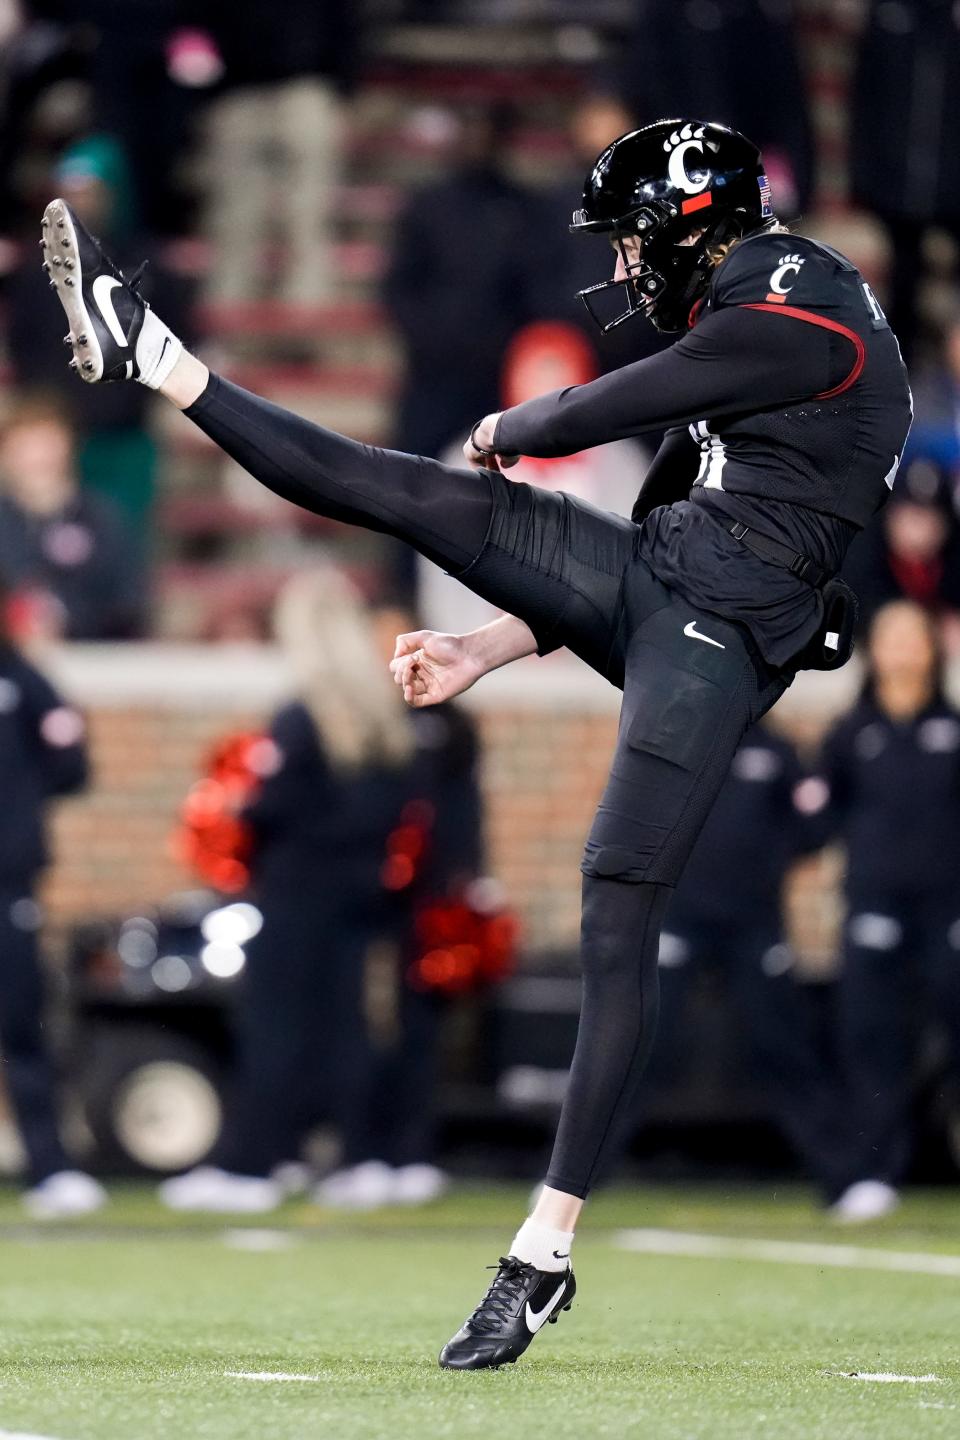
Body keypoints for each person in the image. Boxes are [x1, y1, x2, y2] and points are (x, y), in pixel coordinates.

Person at [42, 115, 911, 1368]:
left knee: (616, 907)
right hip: (671, 582)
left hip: (729, 629)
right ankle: (163, 357)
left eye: (630, 240)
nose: (620, 268)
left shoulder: (797, 287)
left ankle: (543, 1253)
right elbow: (637, 551)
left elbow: (665, 396)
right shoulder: (736, 336)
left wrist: (542, 420)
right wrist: (483, 648)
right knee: (402, 488)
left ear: (692, 219)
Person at [646, 722, 839, 1193]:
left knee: (783, 1045)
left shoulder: (778, 753)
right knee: (638, 1042)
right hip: (681, 918)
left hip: (755, 924)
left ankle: (844, 1174)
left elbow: (813, 828)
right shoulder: (677, 740)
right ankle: (570, 1180)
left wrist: (765, 858)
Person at [814, 602, 960, 1223]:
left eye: (912, 636)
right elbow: (814, 821)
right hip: (871, 907)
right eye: (889, 637)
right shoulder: (850, 734)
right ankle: (873, 1174)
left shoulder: (953, 730)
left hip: (948, 912)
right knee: (870, 1039)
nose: (902, 648)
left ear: (933, 648)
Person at [0, 587, 104, 1217]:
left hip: (8, 884)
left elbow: (71, 762)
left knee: (22, 1026)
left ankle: (50, 1166)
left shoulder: (22, 679)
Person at [0, 395, 145, 641]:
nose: (36, 458)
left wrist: (66, 618)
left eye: (46, 444)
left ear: (68, 446)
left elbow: (127, 604)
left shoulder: (102, 518)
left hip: (91, 659)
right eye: (25, 446)